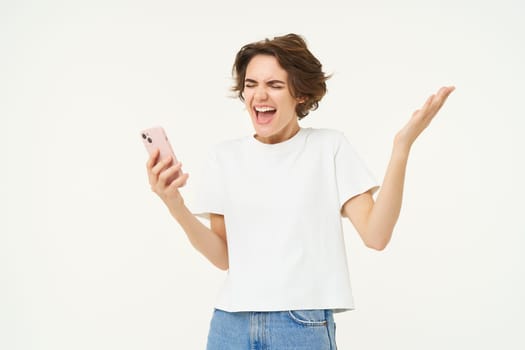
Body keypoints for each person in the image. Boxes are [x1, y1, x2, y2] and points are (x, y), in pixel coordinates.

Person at [146, 33, 454, 350]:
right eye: (250, 84)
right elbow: (224, 256)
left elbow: (376, 235)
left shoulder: (328, 147)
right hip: (230, 323)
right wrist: (174, 204)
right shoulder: (224, 157)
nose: (258, 95)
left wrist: (401, 148)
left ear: (301, 95)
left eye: (275, 85)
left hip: (299, 325)